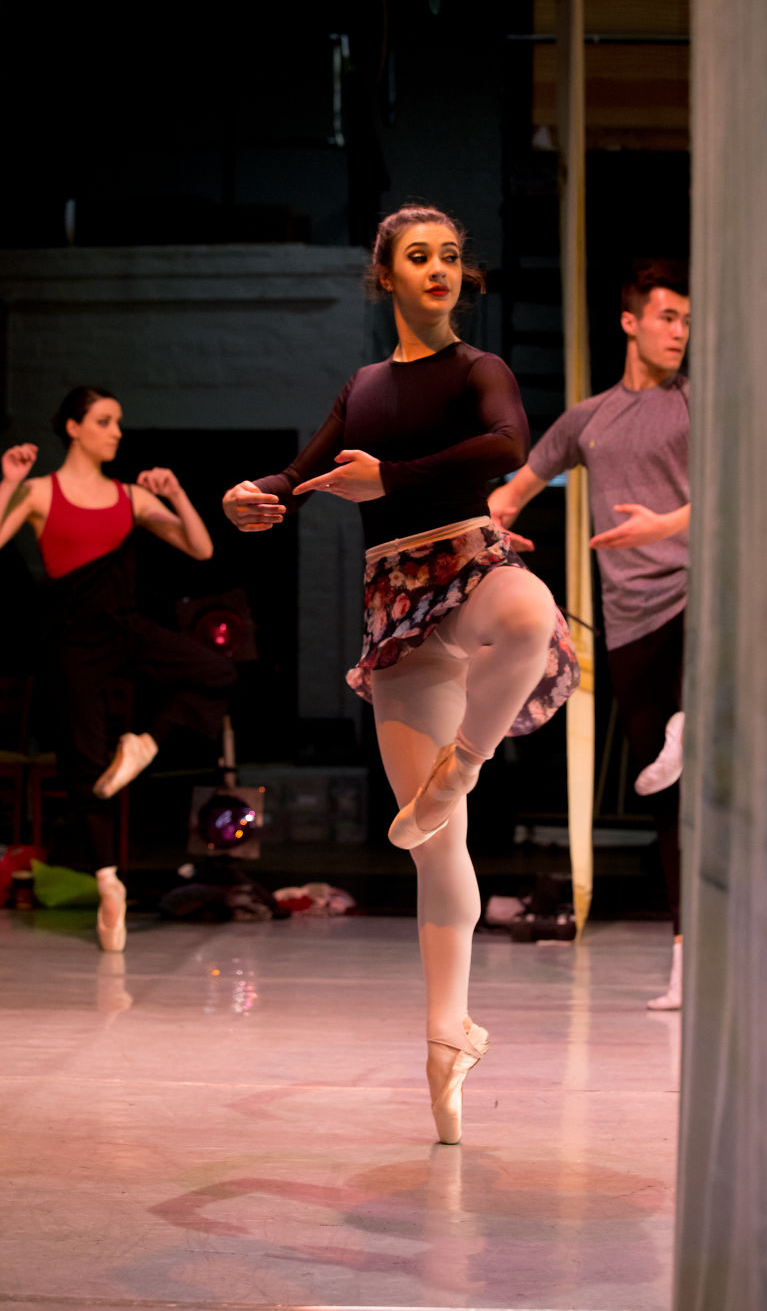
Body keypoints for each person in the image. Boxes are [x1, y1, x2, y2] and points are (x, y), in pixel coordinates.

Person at [222, 203, 579, 1144]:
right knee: (434, 848)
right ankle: (445, 1033)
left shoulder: (481, 370)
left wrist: (392, 478)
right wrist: (252, 497)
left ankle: (465, 760)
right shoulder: (366, 385)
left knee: (532, 613)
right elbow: (298, 477)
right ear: (385, 275)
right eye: (418, 257)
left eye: (452, 256)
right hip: (396, 607)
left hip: (468, 566)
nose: (438, 270)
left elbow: (506, 446)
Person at [488, 262, 690, 1010]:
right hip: (630, 617)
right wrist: (477, 533)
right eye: (668, 317)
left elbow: (734, 492)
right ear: (631, 322)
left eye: (687, 321)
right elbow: (510, 495)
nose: (680, 332)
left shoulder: (699, 402)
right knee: (666, 798)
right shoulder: (590, 420)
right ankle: (683, 959)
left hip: (694, 595)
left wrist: (666, 525)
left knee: (703, 762)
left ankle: (693, 720)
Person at [0, 386, 235, 951]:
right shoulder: (38, 492)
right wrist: (7, 482)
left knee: (217, 671)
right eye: (105, 422)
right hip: (72, 642)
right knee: (84, 767)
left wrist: (176, 492)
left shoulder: (129, 497)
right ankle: (109, 884)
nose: (117, 432)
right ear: (74, 428)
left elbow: (200, 549)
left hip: (126, 628)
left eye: (118, 422)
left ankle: (145, 744)